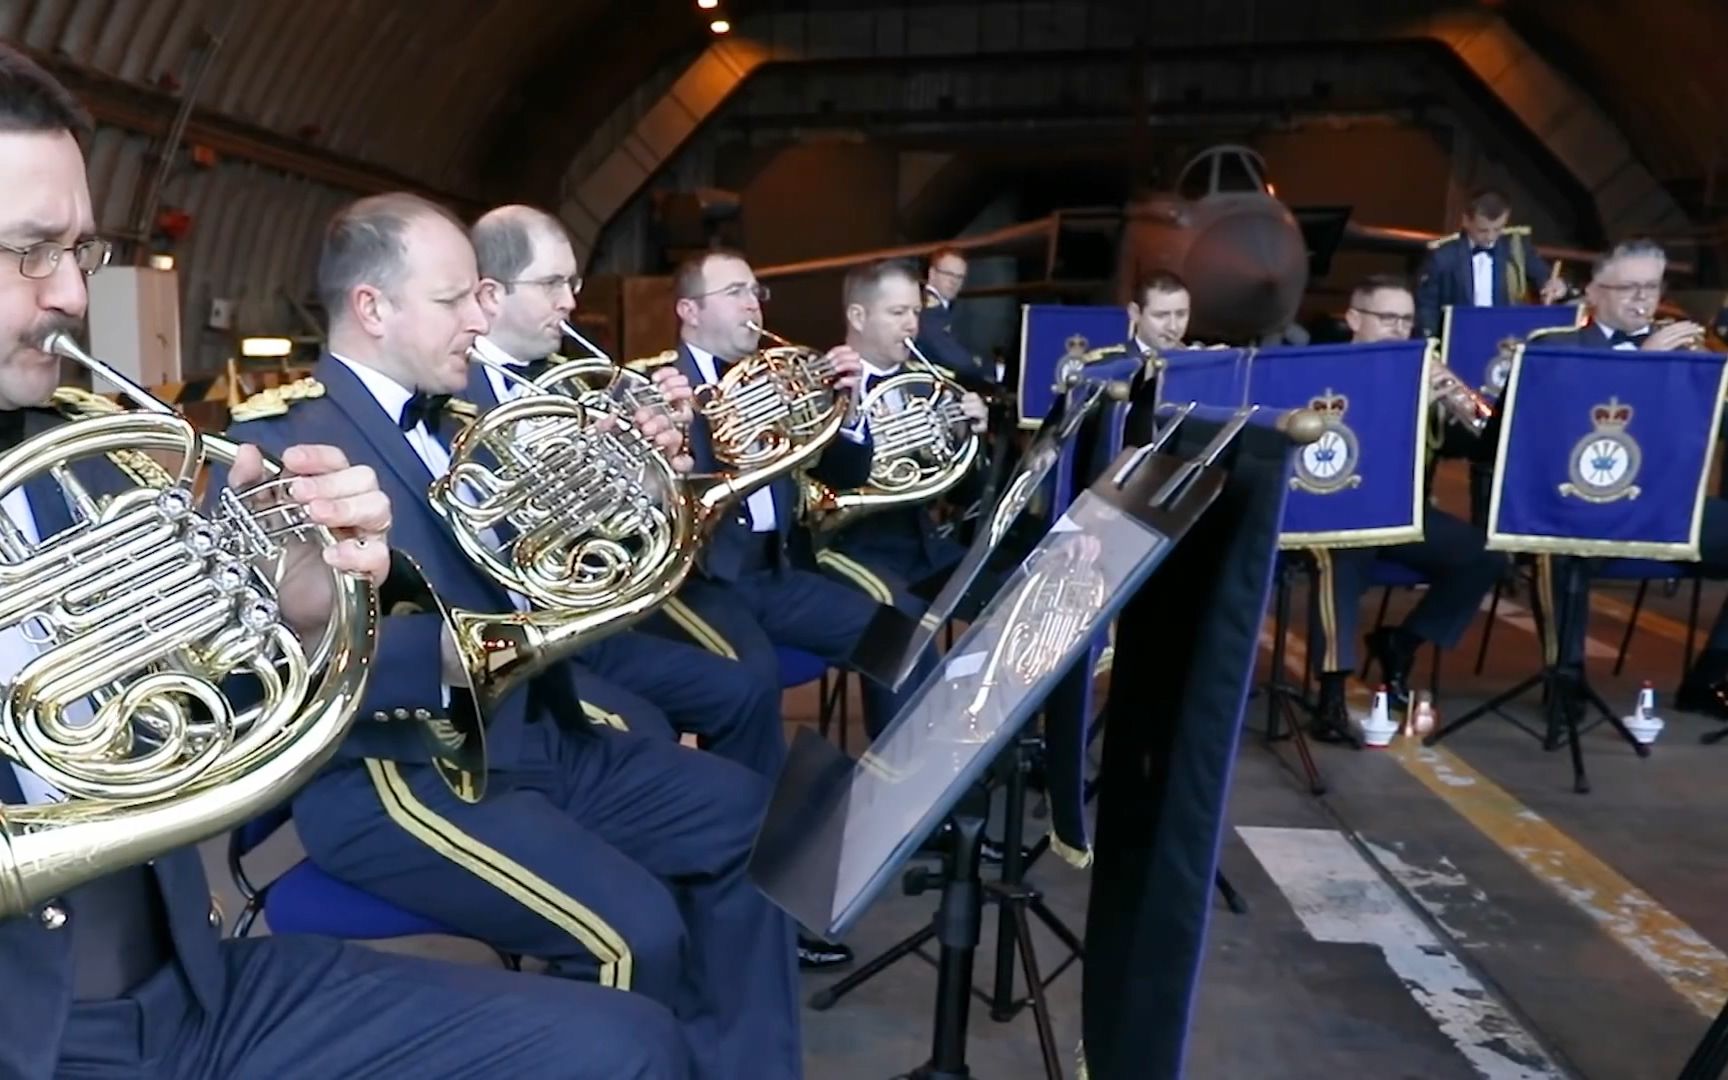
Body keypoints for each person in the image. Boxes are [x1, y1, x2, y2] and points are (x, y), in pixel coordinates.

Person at [0, 44, 691, 1080]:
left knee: (628, 1044)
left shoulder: (72, 455)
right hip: (41, 1031)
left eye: (80, 252)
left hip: (188, 983)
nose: (68, 294)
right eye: (28, 251)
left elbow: (182, 712)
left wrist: (302, 610)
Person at [226, 193, 801, 1079]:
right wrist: (441, 654)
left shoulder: (471, 422)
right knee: (634, 934)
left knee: (762, 829)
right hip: (398, 777)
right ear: (373, 308)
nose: (480, 316)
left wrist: (641, 482)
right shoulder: (280, 442)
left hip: (538, 735)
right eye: (455, 299)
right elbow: (258, 666)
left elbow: (564, 563)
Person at [469, 203, 786, 781]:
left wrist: (662, 460)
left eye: (572, 282)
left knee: (745, 694)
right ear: (491, 295)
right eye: (551, 284)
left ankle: (755, 848)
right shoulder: (455, 391)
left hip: (596, 619)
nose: (569, 300)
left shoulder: (573, 379)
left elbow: (634, 516)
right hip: (527, 634)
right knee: (650, 736)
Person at [1518, 240, 1728, 719]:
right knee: (1555, 545)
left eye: (1651, 288)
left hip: (1665, 508)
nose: (1643, 300)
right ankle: (1564, 678)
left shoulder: (1686, 347)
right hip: (1586, 506)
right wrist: (1643, 366)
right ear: (1593, 292)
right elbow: (1557, 426)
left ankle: (1712, 675)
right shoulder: (1556, 347)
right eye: (1629, 287)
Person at [1305, 275, 1507, 741]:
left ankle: (1401, 643)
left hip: (1405, 514)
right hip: (1340, 514)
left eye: (1406, 320)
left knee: (1484, 554)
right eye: (1387, 318)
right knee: (1337, 568)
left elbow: (1485, 447)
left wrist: (1464, 407)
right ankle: (1331, 699)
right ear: (1355, 319)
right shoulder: (1325, 372)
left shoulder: (1424, 374)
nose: (1398, 329)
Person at [811, 259, 987, 606]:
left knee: (1005, 596)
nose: (912, 326)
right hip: (849, 546)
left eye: (916, 313)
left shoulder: (930, 387)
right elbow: (832, 477)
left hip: (922, 542)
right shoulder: (822, 386)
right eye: (897, 313)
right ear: (858, 317)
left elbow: (964, 497)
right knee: (904, 621)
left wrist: (971, 436)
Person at [1414, 187, 1568, 338]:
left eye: (1498, 229)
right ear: (1466, 221)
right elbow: (1427, 307)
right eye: (1483, 230)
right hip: (1460, 337)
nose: (1491, 237)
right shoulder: (1443, 256)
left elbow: (1544, 276)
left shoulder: (1516, 249)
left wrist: (1555, 286)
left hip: (1506, 337)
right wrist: (1431, 344)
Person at [913, 245, 996, 385]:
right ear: (932, 273)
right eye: (948, 274)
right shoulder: (929, 310)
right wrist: (988, 368)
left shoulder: (946, 307)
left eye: (959, 277)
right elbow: (951, 355)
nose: (954, 281)